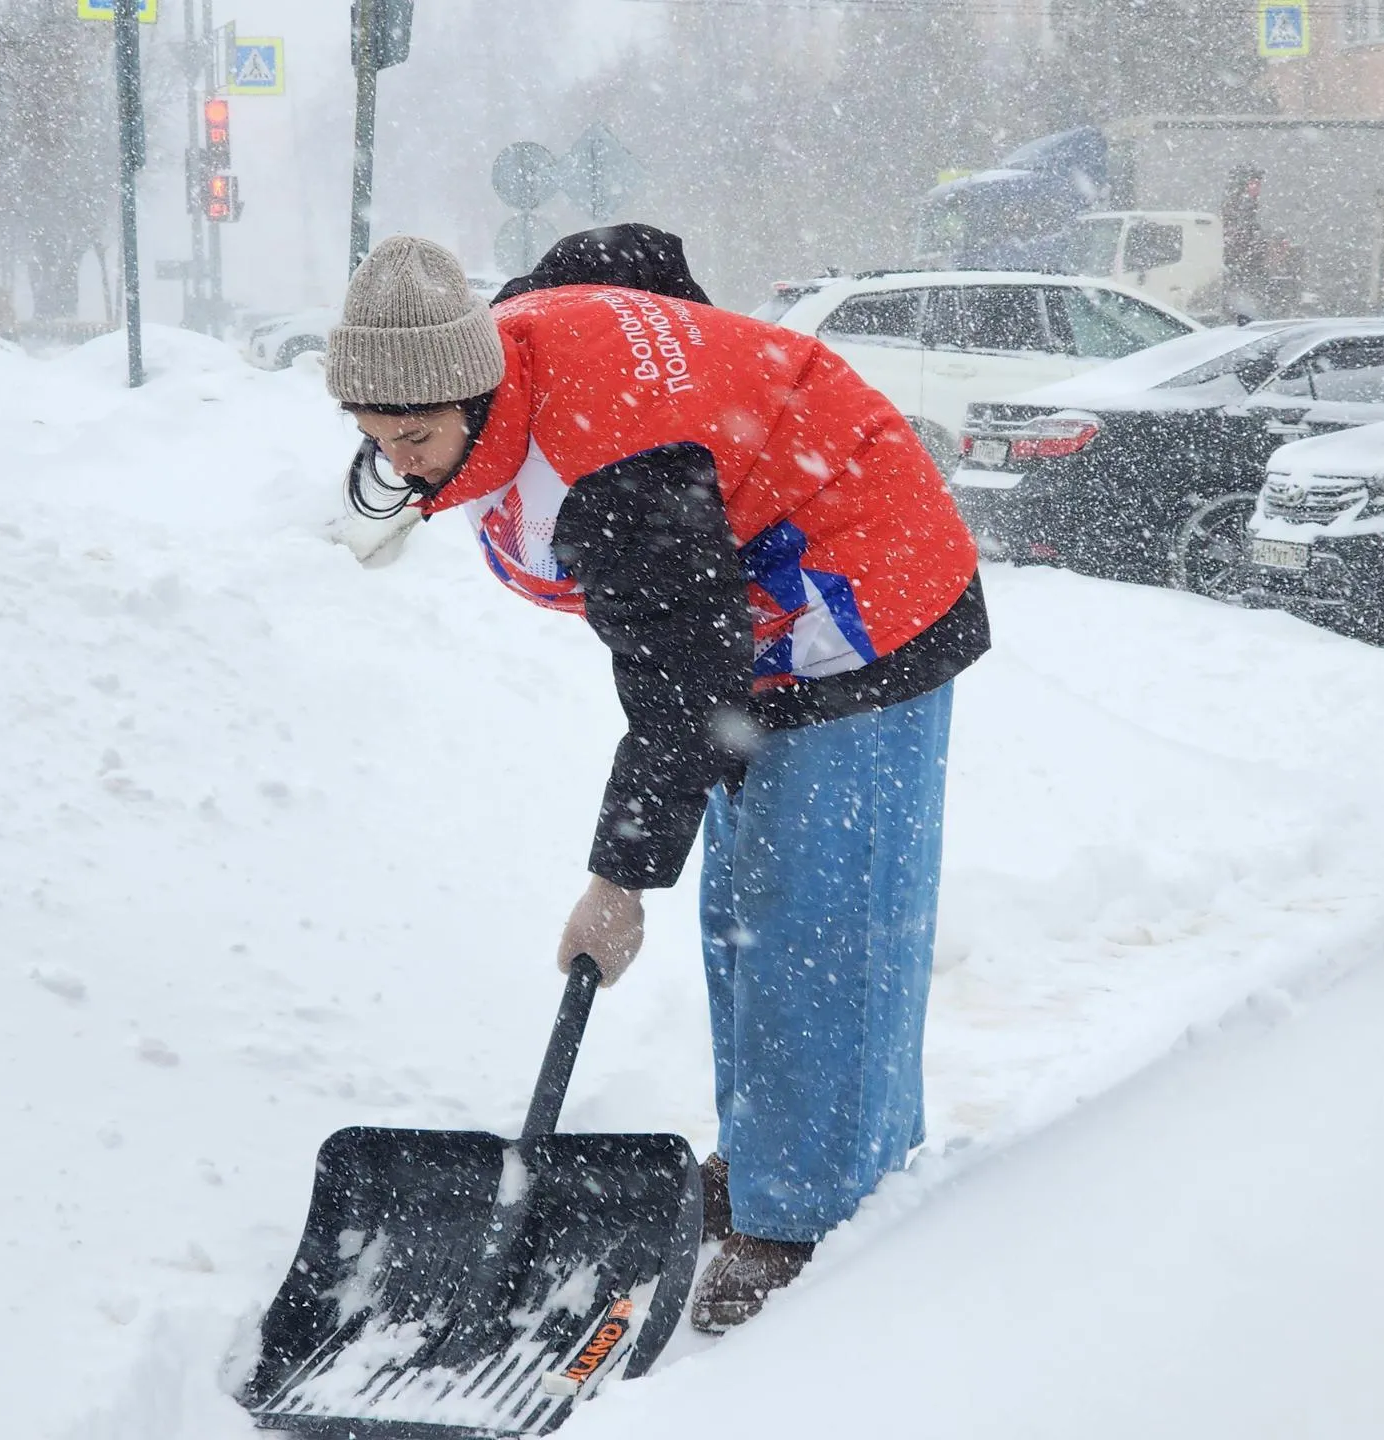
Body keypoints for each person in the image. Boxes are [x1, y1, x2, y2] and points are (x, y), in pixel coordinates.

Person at [326, 234, 990, 1332]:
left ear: (476, 389)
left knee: (819, 916)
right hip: (752, 600)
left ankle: (815, 1215)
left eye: (416, 439)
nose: (399, 466)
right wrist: (717, 399)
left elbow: (682, 683)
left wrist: (617, 883)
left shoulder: (617, 471)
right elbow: (631, 254)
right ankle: (775, 1156)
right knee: (743, 910)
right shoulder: (508, 337)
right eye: (373, 439)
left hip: (863, 586)